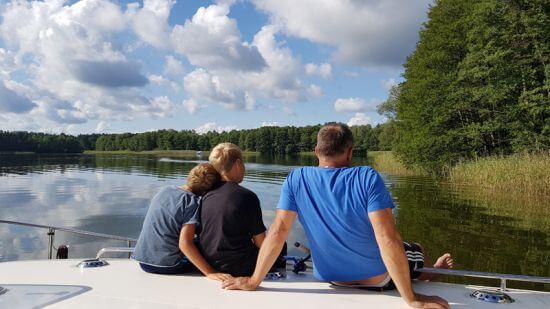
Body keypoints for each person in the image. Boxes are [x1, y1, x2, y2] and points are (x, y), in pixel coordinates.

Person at [222, 123, 454, 309]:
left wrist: (253, 281)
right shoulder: (367, 177)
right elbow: (386, 237)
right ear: (350, 152)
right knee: (414, 249)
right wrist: (411, 299)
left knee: (400, 248)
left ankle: (423, 269)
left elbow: (278, 230)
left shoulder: (296, 179)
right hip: (377, 279)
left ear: (316, 152)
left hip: (332, 278)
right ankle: (429, 272)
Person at [132, 163, 231, 281]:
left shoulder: (165, 190)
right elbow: (185, 244)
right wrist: (210, 272)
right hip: (168, 265)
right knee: (209, 245)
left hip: (143, 262)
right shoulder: (191, 202)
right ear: (208, 190)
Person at [198, 143, 268, 277]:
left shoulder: (205, 195)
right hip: (240, 267)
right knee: (278, 246)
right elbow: (261, 244)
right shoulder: (247, 196)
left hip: (209, 262)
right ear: (237, 164)